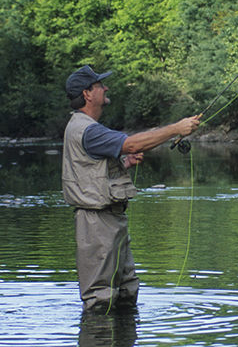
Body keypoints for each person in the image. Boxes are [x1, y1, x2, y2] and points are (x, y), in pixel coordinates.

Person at [62, 65, 200, 312]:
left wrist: (122, 164)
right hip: (97, 224)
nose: (106, 88)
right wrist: (176, 129)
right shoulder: (88, 129)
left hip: (110, 220)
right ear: (87, 94)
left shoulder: (84, 127)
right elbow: (132, 143)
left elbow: (93, 167)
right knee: (101, 300)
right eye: (100, 85)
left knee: (126, 291)